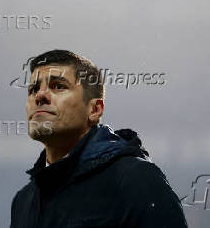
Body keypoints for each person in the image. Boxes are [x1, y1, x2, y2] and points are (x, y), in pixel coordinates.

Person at [10, 49, 188, 228]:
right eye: (33, 89)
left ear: (94, 110)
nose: (39, 96)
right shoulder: (23, 201)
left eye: (58, 86)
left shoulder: (136, 180)